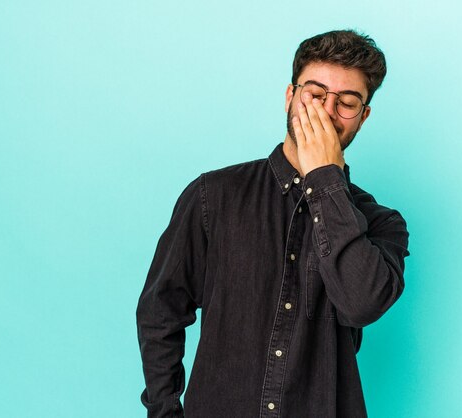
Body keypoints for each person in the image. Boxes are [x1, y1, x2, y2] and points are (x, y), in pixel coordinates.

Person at [136, 29, 410, 418]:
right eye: (314, 94)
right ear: (290, 96)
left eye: (346, 102)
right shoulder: (213, 195)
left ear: (363, 117)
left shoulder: (383, 224)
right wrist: (164, 412)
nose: (326, 112)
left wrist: (324, 179)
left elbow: (360, 304)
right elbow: (159, 312)